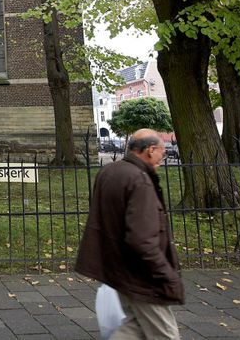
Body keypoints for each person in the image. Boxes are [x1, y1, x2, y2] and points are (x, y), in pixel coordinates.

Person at [75, 129, 185, 339]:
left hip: (118, 269)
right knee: (165, 335)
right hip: (142, 275)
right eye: (163, 152)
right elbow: (142, 240)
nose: (163, 157)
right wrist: (167, 274)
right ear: (151, 150)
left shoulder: (109, 172)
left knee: (133, 328)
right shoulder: (139, 180)